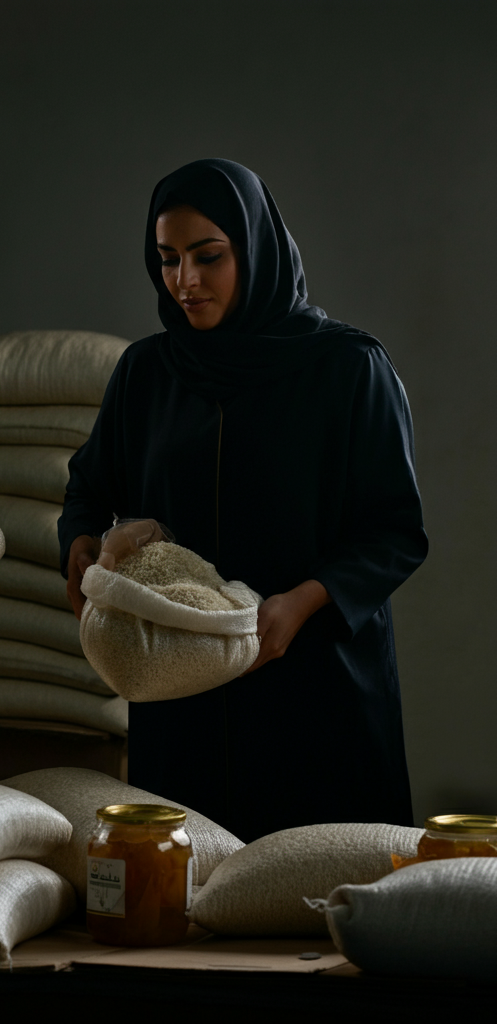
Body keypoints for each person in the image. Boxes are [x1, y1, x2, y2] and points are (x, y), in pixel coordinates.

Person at [59, 158, 428, 843]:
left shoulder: (346, 368)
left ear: (254, 249)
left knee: (318, 893)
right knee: (190, 889)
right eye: (167, 259)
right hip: (182, 684)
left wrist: (299, 604)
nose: (185, 281)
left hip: (316, 686)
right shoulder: (148, 372)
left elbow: (394, 533)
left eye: (209, 257)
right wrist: (80, 547)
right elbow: (89, 487)